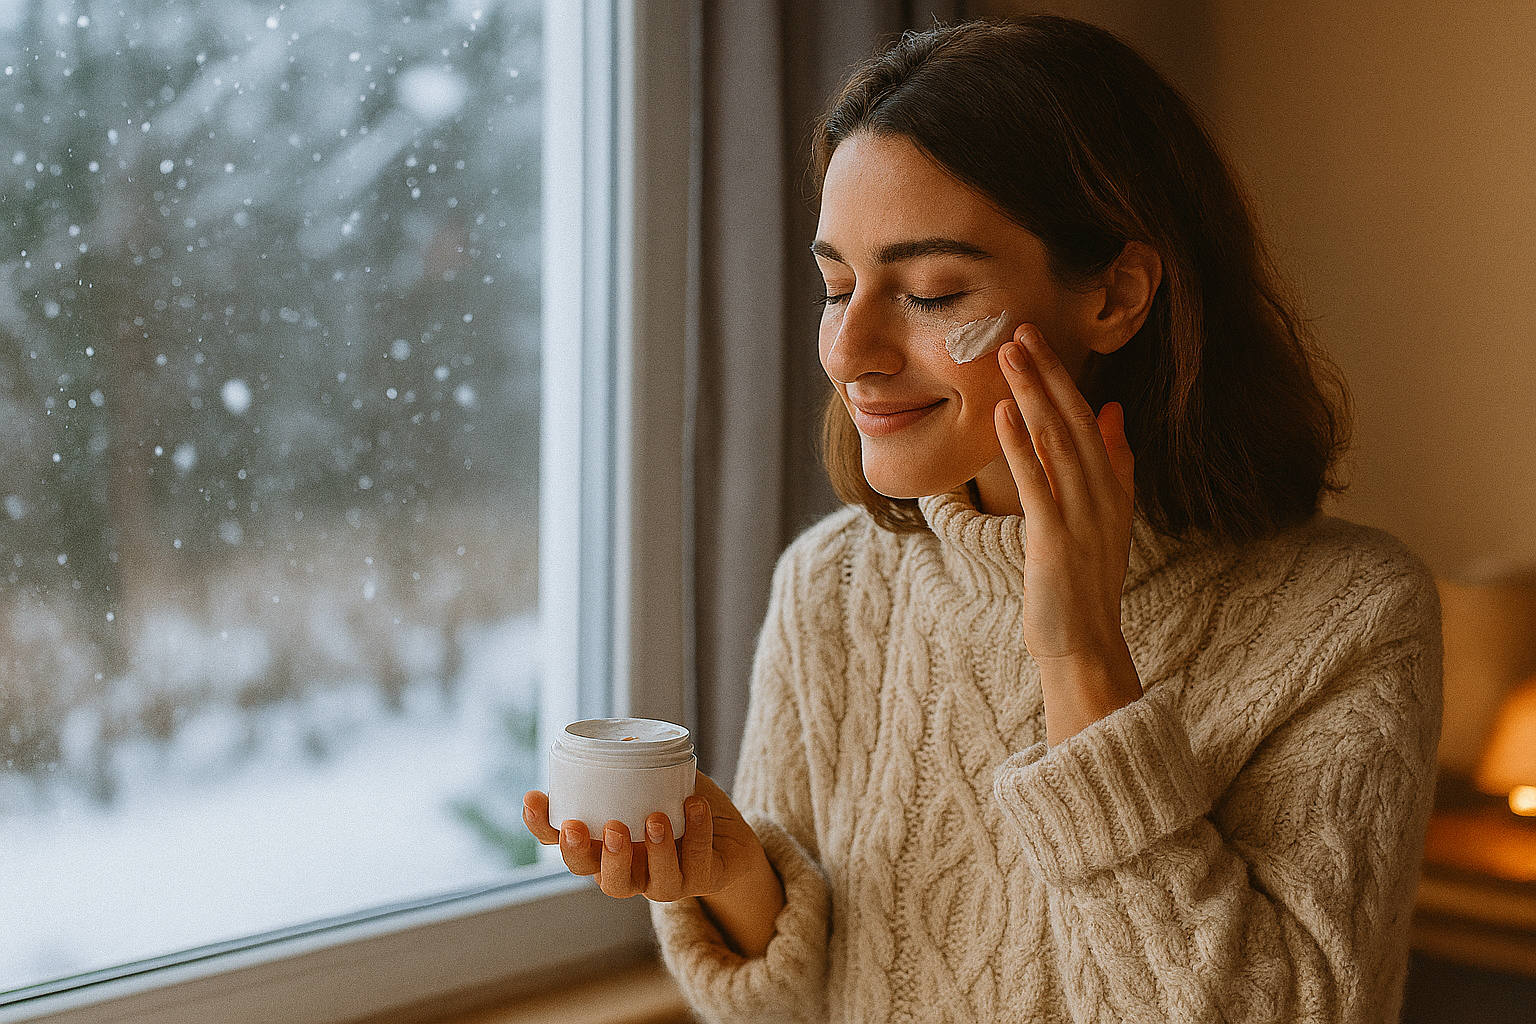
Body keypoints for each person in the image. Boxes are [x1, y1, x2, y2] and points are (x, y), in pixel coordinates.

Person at [524, 15, 1441, 1024]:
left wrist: (1082, 650)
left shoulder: (1348, 618)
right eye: (837, 286)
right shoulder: (832, 583)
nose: (851, 349)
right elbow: (794, 1007)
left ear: (1117, 296)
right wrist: (735, 875)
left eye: (929, 292)